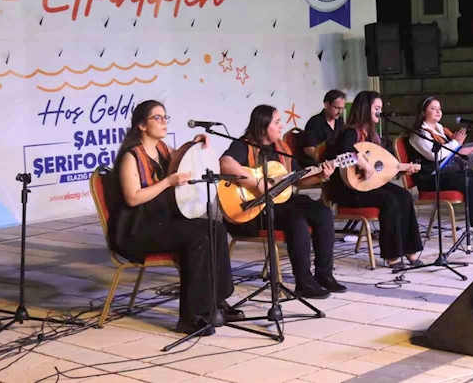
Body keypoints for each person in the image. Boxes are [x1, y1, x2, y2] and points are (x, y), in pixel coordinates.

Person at [110, 100, 242, 335]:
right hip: (136, 230)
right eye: (157, 118)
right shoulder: (131, 156)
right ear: (142, 125)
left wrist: (196, 144)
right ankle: (191, 316)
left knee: (216, 229)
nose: (164, 122)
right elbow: (133, 198)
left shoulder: (161, 148)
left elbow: (182, 158)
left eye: (165, 117)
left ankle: (216, 302)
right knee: (196, 239)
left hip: (161, 221)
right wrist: (167, 182)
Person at [219, 104, 345, 299]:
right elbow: (225, 163)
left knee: (323, 213)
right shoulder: (244, 145)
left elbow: (298, 180)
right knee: (297, 221)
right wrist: (257, 183)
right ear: (263, 126)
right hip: (253, 208)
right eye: (277, 122)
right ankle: (304, 282)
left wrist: (321, 176)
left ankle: (324, 274)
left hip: (282, 200)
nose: (281, 126)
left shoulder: (282, 148)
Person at [326, 90, 424, 269]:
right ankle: (392, 255)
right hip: (349, 190)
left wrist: (401, 169)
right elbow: (346, 151)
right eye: (376, 108)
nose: (380, 112)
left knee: (404, 195)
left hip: (367, 186)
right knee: (389, 200)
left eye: (380, 109)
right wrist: (364, 164)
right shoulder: (350, 132)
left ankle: (410, 250)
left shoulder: (372, 136)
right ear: (365, 109)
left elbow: (382, 167)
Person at [407, 96, 473, 241]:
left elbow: (450, 151)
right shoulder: (419, 134)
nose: (438, 112)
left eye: (439, 109)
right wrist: (455, 143)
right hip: (430, 178)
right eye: (433, 108)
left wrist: (460, 147)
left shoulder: (441, 129)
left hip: (447, 173)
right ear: (423, 112)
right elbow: (434, 155)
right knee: (470, 185)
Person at [303, 89, 346, 165]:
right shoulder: (314, 122)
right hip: (319, 164)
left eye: (342, 108)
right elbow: (308, 149)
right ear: (326, 105)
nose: (340, 112)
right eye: (336, 108)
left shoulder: (340, 121)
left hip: (336, 162)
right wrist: (323, 160)